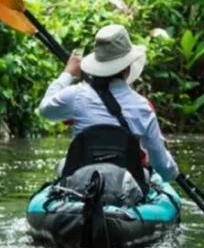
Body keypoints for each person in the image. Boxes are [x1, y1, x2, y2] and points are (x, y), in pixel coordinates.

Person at [38, 24, 179, 182]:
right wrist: (172, 169)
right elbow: (163, 168)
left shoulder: (75, 95)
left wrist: (68, 73)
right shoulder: (142, 107)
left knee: (63, 165)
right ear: (127, 68)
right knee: (152, 177)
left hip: (82, 186)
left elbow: (44, 109)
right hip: (126, 190)